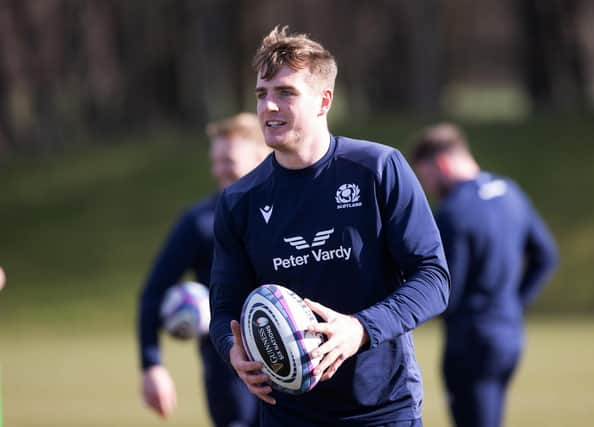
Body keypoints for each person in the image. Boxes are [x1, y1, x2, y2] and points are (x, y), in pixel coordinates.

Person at [209, 26, 450, 426]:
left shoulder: (378, 169)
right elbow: (224, 307)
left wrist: (360, 329)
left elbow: (434, 278)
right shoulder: (239, 201)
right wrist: (230, 349)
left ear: (324, 101)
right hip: (284, 414)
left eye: (285, 93)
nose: (268, 107)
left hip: (381, 410)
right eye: (262, 94)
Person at [411, 123, 559, 427]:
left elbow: (447, 290)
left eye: (427, 177)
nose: (429, 188)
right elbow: (546, 255)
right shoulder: (510, 192)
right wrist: (515, 304)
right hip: (509, 334)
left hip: (471, 339)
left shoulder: (454, 212)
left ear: (441, 164)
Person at [137, 113, 270, 427]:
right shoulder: (198, 222)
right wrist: (151, 365)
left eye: (228, 160)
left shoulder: (292, 212)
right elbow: (153, 292)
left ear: (262, 156)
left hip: (291, 358)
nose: (219, 169)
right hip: (227, 368)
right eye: (216, 160)